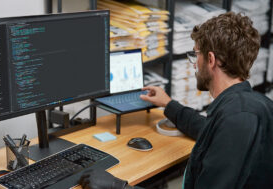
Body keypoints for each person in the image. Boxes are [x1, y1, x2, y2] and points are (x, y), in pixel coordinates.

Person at [79, 12, 273, 189]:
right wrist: (168, 104)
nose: (194, 63)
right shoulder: (248, 106)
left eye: (196, 55)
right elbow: (206, 129)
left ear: (211, 60)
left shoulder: (237, 120)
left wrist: (117, 186)